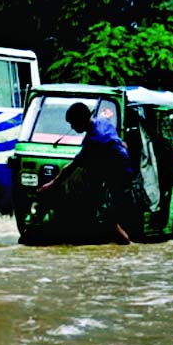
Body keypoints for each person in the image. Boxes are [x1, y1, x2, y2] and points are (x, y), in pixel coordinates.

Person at [36, 101, 137, 244]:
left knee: (109, 220)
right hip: (118, 168)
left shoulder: (95, 139)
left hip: (118, 176)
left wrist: (52, 184)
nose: (71, 127)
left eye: (72, 123)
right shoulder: (102, 120)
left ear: (81, 120)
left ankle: (128, 245)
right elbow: (107, 117)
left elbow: (71, 167)